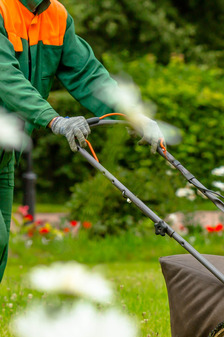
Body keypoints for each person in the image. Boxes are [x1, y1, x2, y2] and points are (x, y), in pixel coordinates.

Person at [0, 0, 164, 282]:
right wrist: (53, 119)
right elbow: (5, 76)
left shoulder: (57, 17)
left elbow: (88, 75)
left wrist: (134, 117)